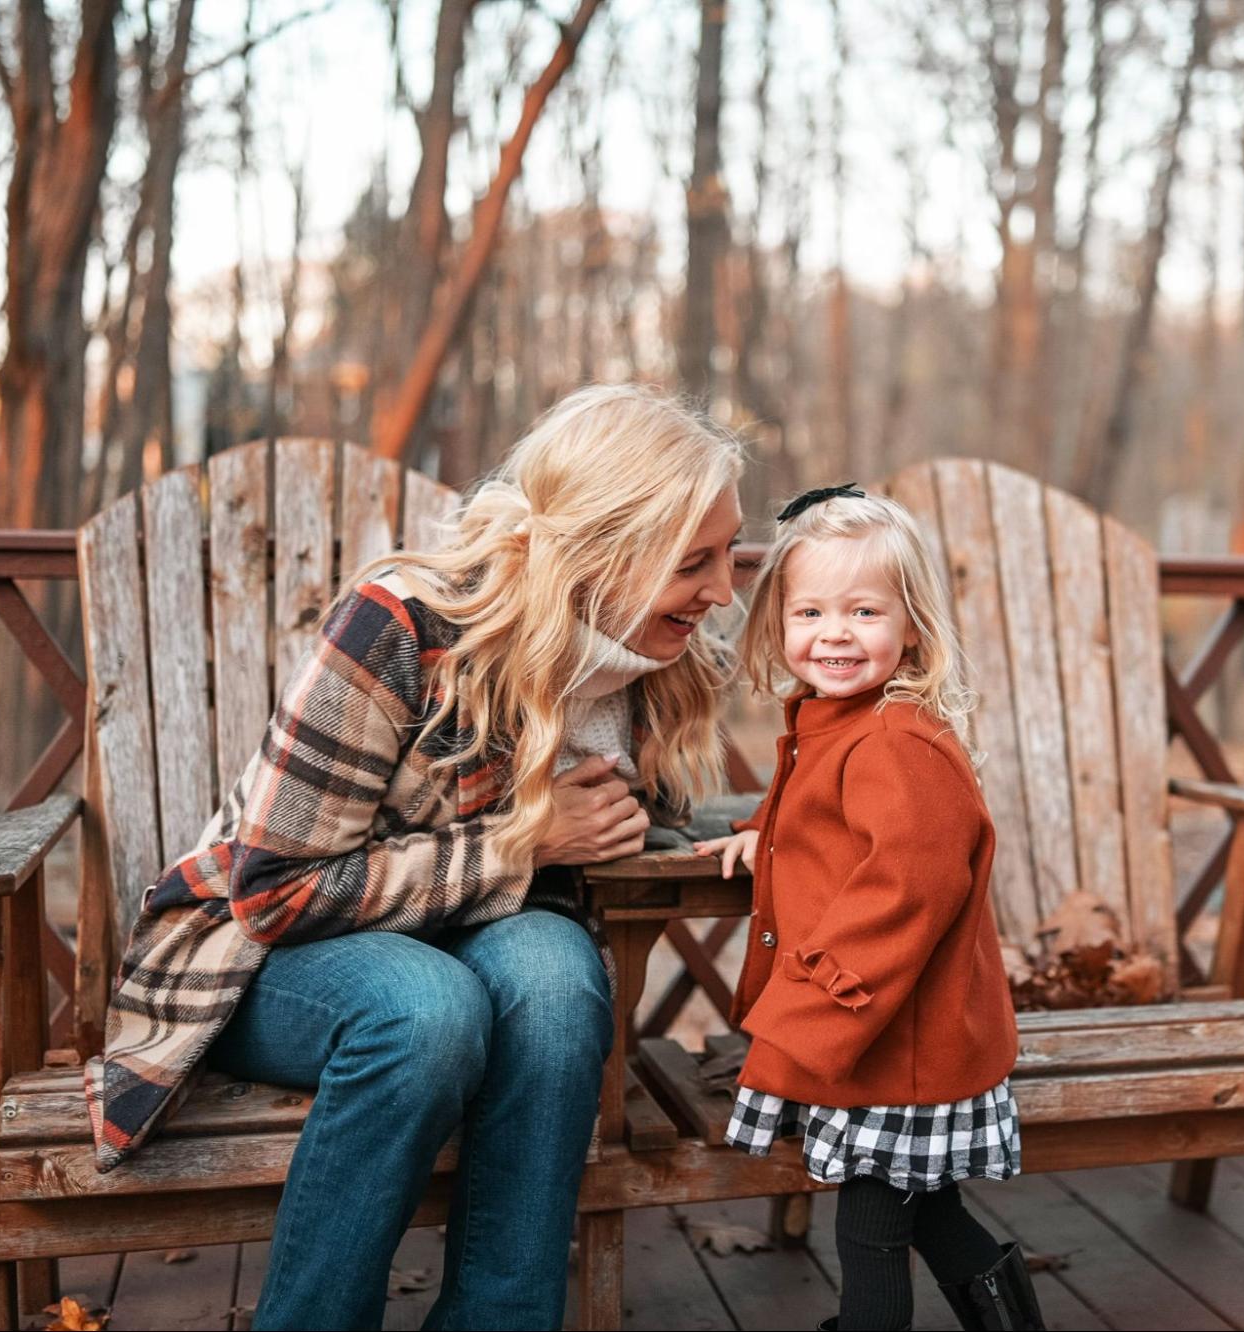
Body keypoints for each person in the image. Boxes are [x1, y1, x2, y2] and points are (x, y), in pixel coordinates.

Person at [88, 384, 745, 1330]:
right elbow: (271, 894)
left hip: (482, 939)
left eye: (726, 556)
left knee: (560, 988)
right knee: (427, 1008)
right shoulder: (400, 625)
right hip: (261, 961)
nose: (723, 589)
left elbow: (642, 814)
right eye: (696, 563)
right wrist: (527, 840)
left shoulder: (647, 657)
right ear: (602, 552)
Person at [695, 485, 1046, 1331]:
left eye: (863, 610)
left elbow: (908, 888)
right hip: (884, 1034)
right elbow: (832, 815)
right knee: (926, 1211)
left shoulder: (895, 739)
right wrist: (761, 831)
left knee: (872, 1227)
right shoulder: (842, 720)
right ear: (779, 625)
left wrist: (812, 1008)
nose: (835, 633)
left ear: (912, 623)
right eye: (809, 610)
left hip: (893, 1038)